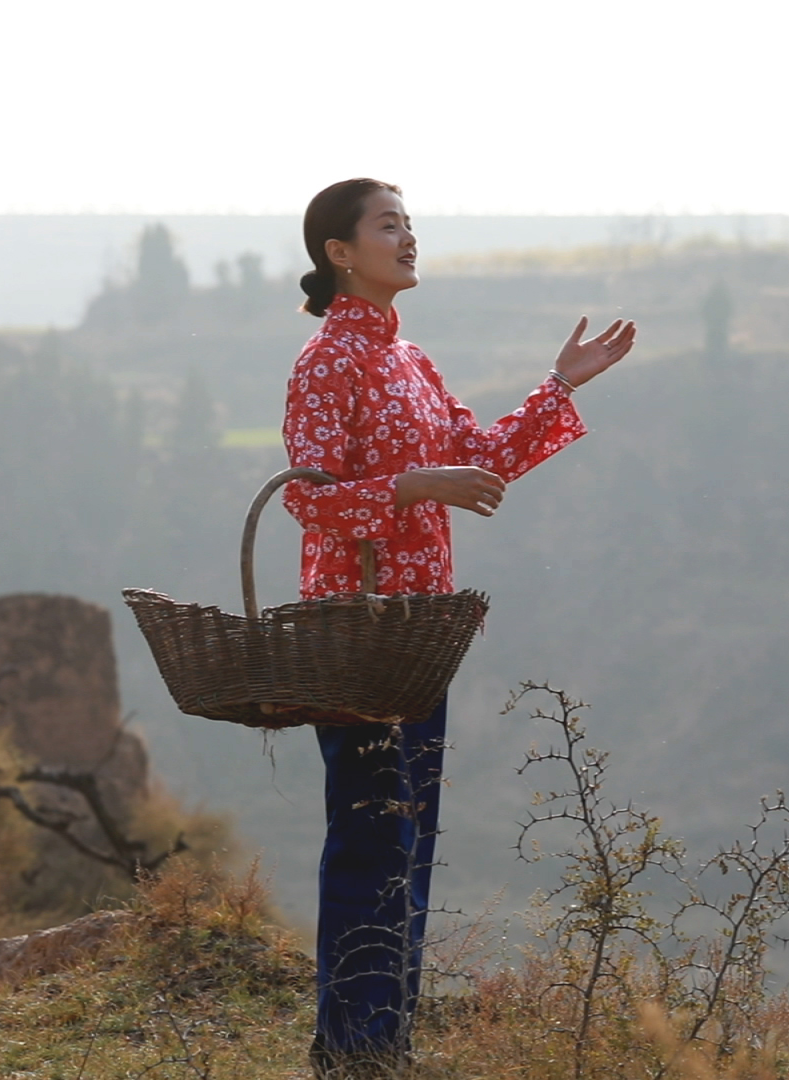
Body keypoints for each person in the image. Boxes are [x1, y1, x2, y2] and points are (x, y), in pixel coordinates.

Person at [280, 178, 636, 1078]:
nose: (407, 238)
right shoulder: (328, 362)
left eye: (410, 225)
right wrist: (414, 487)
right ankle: (355, 1052)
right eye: (387, 225)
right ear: (339, 253)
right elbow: (305, 501)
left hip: (422, 637)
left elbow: (479, 459)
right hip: (358, 638)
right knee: (369, 836)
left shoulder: (412, 361)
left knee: (409, 837)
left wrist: (560, 386)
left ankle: (378, 1046)